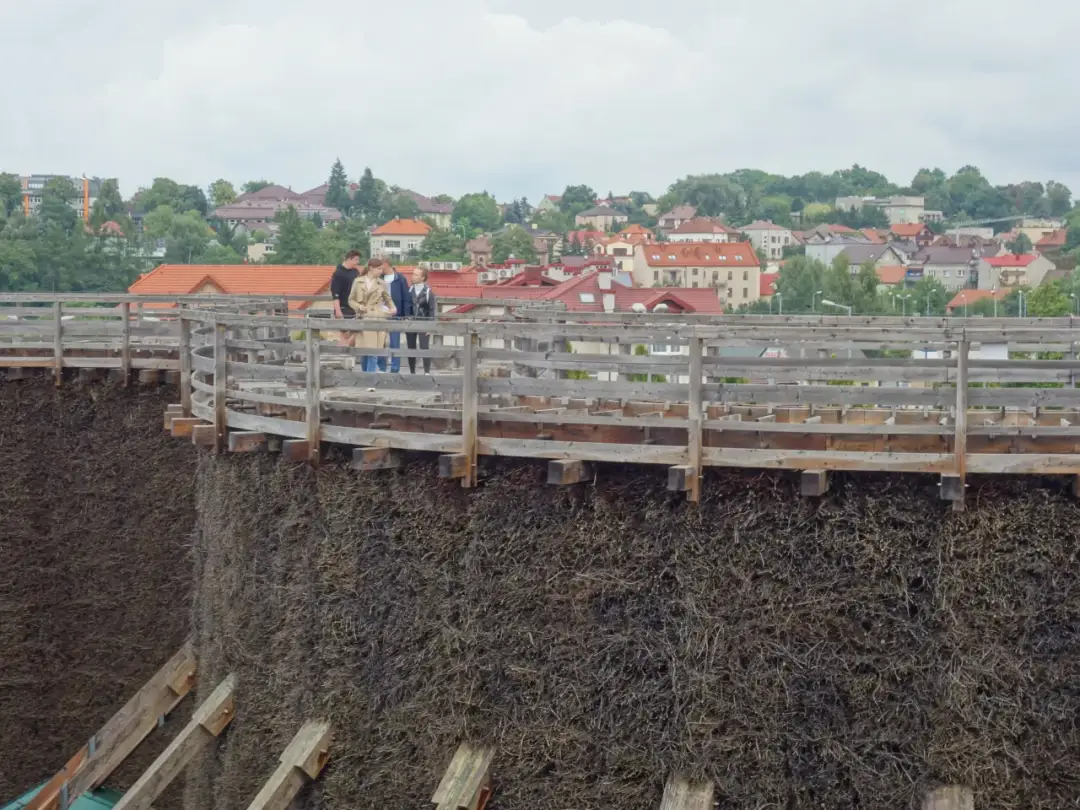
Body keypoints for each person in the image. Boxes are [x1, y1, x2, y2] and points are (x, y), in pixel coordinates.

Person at [348, 259, 393, 372]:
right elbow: (351, 300)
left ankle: (371, 378)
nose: (381, 271)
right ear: (371, 268)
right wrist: (358, 307)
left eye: (382, 269)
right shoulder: (358, 282)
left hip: (377, 317)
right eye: (379, 269)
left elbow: (388, 299)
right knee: (364, 351)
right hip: (363, 318)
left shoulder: (382, 283)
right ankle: (365, 375)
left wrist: (393, 308)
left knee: (374, 350)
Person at [377, 260, 412, 373]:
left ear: (386, 264)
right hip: (381, 315)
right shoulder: (379, 278)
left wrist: (406, 315)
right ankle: (381, 367)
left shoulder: (400, 278)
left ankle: (395, 368)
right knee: (380, 342)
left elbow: (406, 297)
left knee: (395, 343)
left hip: (396, 315)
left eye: (381, 264)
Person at [406, 266, 437, 374]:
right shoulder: (409, 290)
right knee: (411, 348)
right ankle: (412, 372)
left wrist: (431, 326)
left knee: (424, 347)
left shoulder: (428, 292)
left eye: (416, 275)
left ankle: (427, 372)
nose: (413, 276)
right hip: (411, 323)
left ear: (423, 278)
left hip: (424, 322)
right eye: (413, 274)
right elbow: (407, 306)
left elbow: (432, 310)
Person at [330, 250, 362, 347]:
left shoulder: (355, 272)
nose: (357, 262)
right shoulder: (338, 274)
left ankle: (349, 354)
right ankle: (342, 355)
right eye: (356, 260)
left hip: (354, 307)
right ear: (349, 259)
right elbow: (335, 294)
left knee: (356, 332)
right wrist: (338, 311)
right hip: (343, 307)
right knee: (345, 334)